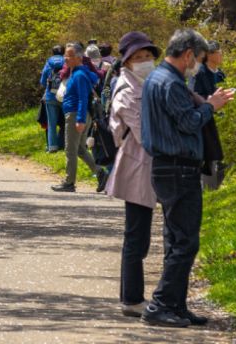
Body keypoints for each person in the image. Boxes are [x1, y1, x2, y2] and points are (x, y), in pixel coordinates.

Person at [140, 29, 234, 328]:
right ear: (189, 54)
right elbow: (189, 122)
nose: (198, 65)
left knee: (175, 239)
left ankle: (176, 306)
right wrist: (211, 106)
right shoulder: (169, 83)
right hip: (178, 168)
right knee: (185, 242)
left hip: (168, 167)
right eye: (199, 58)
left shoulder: (158, 78)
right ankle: (161, 305)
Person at [105, 32, 161, 318]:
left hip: (149, 165)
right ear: (125, 63)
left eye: (148, 57)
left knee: (141, 234)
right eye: (137, 58)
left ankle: (133, 296)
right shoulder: (127, 92)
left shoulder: (151, 84)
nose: (144, 62)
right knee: (136, 234)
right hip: (136, 165)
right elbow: (144, 133)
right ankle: (131, 298)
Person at [52, 43, 108, 193]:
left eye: (69, 56)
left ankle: (69, 182)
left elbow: (83, 99)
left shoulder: (80, 75)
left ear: (78, 58)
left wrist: (80, 120)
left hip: (76, 115)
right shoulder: (76, 72)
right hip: (76, 114)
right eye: (65, 55)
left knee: (70, 150)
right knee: (80, 150)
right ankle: (101, 173)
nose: (65, 58)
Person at [39, 45, 66, 152]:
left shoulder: (48, 63)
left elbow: (42, 81)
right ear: (63, 52)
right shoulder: (67, 62)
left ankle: (53, 147)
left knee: (52, 123)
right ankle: (65, 144)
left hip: (50, 97)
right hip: (65, 95)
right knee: (67, 122)